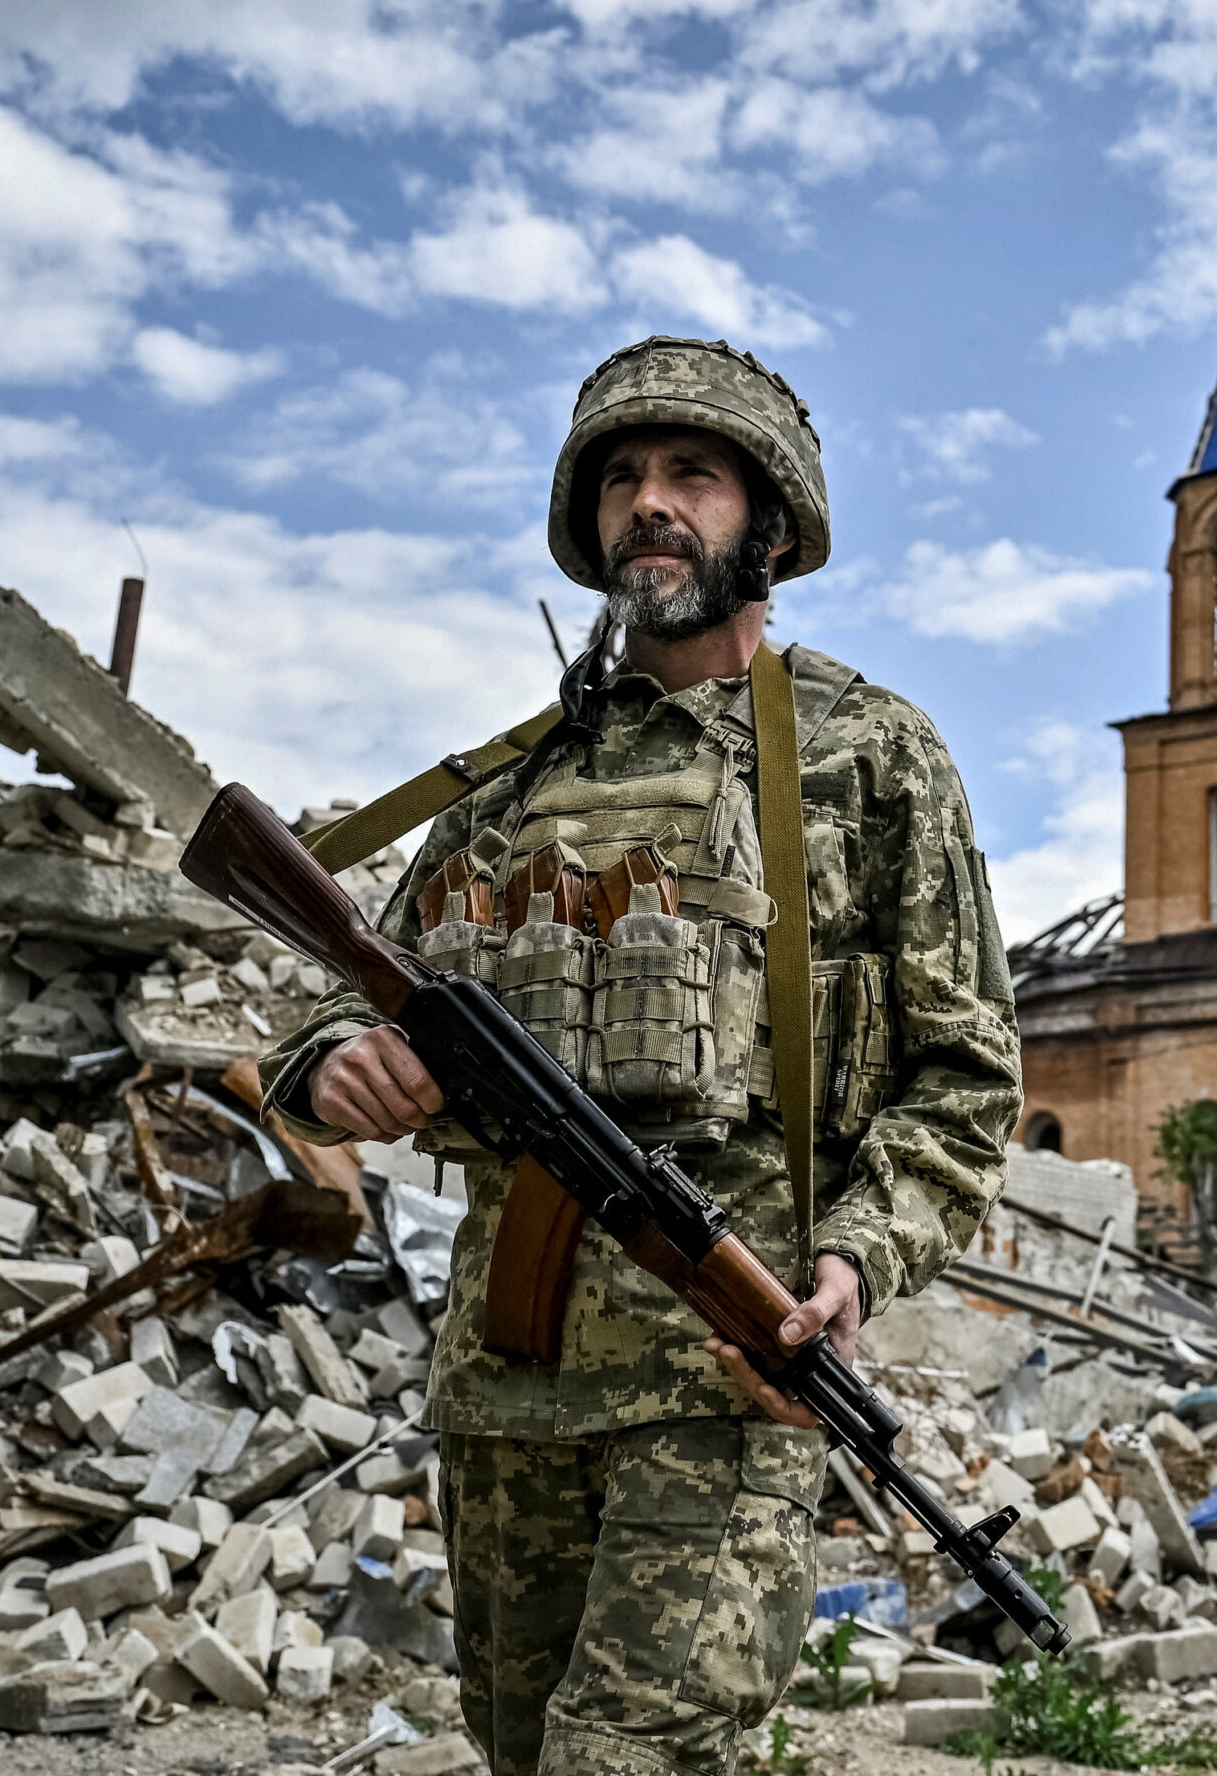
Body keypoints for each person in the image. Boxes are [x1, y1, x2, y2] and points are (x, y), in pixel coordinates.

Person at [259, 335, 1021, 1776]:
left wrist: (854, 1262)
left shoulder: (869, 757)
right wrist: (336, 1064)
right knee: (518, 1752)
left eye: (692, 474)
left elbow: (967, 1077)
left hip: (724, 1384)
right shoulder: (514, 781)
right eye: (621, 478)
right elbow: (328, 999)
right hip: (506, 1392)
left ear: (772, 527)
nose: (650, 503)